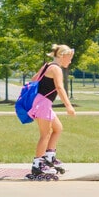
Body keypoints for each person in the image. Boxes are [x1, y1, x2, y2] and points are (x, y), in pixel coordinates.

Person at [27, 44, 76, 177]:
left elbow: (33, 80)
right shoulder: (56, 69)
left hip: (41, 102)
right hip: (43, 104)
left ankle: (49, 158)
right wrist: (68, 106)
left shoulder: (47, 66)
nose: (70, 61)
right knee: (45, 134)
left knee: (58, 128)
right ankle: (38, 165)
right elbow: (60, 88)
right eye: (70, 58)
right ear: (63, 56)